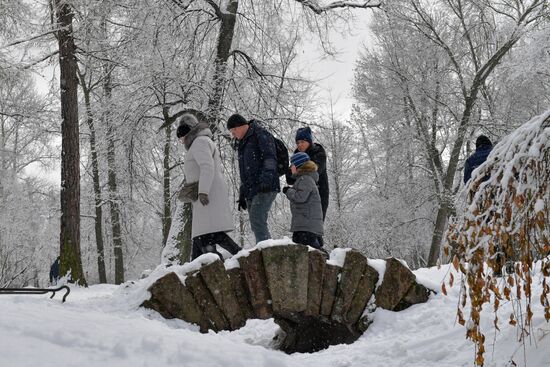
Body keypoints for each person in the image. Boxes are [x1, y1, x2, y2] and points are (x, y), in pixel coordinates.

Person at [177, 113, 241, 260]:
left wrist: (203, 192)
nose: (181, 141)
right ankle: (198, 268)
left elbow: (207, 166)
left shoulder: (199, 142)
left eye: (181, 136)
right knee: (204, 234)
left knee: (206, 233)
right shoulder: (201, 142)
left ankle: (227, 258)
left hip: (207, 193)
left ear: (188, 131)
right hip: (204, 192)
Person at [227, 113, 280, 243]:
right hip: (252, 189)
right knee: (256, 223)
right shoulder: (243, 143)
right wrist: (242, 193)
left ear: (240, 126)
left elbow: (270, 157)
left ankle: (268, 254)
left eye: (233, 131)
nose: (233, 135)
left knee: (257, 219)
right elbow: (245, 171)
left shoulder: (260, 134)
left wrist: (266, 179)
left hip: (265, 186)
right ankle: (264, 251)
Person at [282, 152, 324, 250]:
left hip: (306, 225)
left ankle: (325, 259)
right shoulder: (304, 179)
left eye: (292, 165)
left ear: (298, 165)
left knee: (308, 250)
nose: (290, 167)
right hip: (305, 224)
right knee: (309, 250)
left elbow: (300, 197)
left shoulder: (305, 179)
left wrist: (288, 191)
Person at [287, 126, 329, 220]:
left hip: (319, 194)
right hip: (301, 196)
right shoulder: (296, 156)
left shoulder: (318, 152)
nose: (299, 145)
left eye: (302, 142)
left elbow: (315, 170)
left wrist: (296, 172)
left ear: (309, 141)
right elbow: (289, 179)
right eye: (297, 142)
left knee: (315, 225)